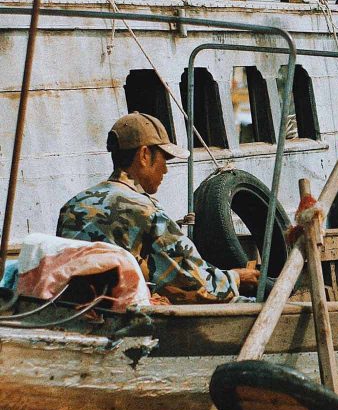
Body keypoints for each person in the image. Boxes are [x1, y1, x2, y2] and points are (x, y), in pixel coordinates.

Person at [56, 112, 260, 304]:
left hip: (81, 310)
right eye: (164, 158)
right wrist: (236, 277)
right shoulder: (145, 210)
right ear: (144, 155)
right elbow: (191, 283)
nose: (166, 169)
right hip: (125, 316)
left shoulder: (73, 205)